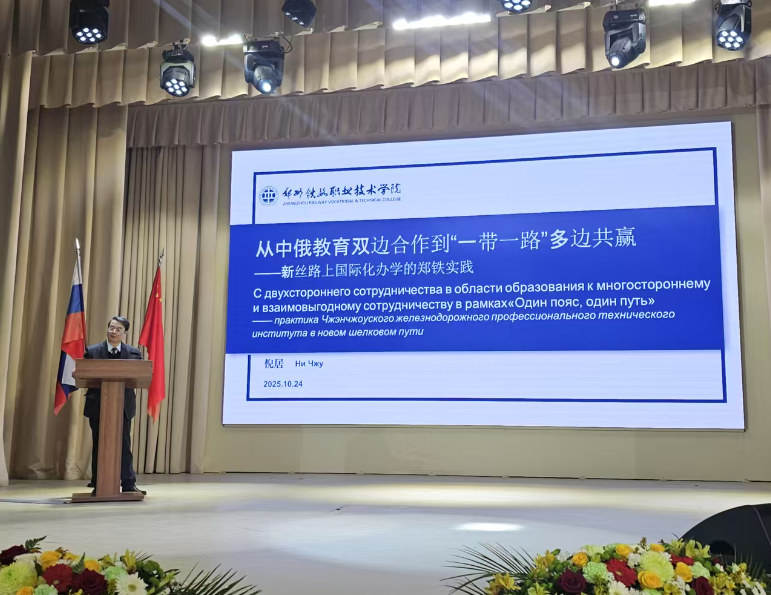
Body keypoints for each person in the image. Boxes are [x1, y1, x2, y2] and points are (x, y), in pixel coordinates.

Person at [84, 316, 144, 494]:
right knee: (99, 443)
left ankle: (128, 483)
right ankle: (98, 483)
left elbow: (140, 376)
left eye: (118, 329)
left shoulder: (134, 354)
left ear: (125, 334)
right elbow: (84, 374)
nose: (114, 332)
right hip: (98, 405)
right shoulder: (92, 351)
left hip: (123, 407)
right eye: (111, 328)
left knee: (124, 444)